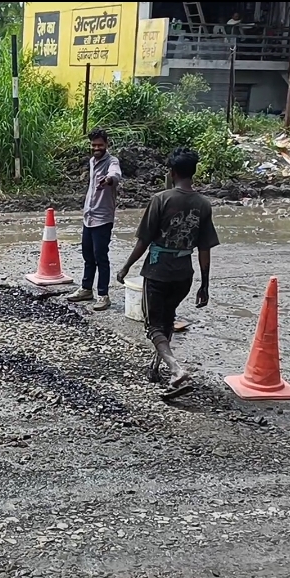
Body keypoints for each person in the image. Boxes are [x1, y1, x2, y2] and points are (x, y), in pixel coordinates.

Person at [116, 148, 220, 396]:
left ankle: (176, 370)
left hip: (158, 272)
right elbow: (204, 248)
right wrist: (204, 285)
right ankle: (155, 367)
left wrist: (127, 266)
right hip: (184, 275)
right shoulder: (204, 204)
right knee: (168, 319)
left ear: (172, 173)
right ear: (192, 173)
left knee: (153, 325)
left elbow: (144, 240)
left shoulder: (161, 200)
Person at [65, 128, 122, 311]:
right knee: (88, 255)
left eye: (100, 145)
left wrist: (109, 180)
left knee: (101, 257)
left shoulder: (112, 161)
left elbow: (115, 175)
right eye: (94, 145)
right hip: (88, 216)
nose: (96, 148)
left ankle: (103, 295)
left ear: (107, 145)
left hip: (102, 218)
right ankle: (86, 289)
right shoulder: (92, 161)